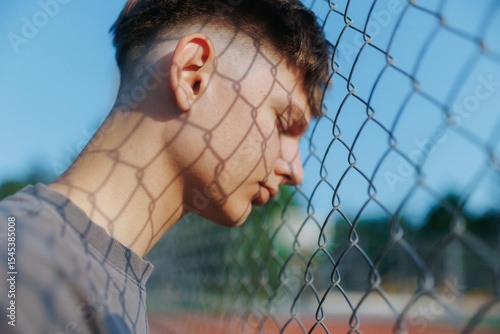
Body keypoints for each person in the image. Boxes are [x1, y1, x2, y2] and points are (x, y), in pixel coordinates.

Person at [0, 0, 331, 333]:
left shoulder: (77, 267)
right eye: (282, 123)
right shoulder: (23, 263)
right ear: (192, 75)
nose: (296, 171)